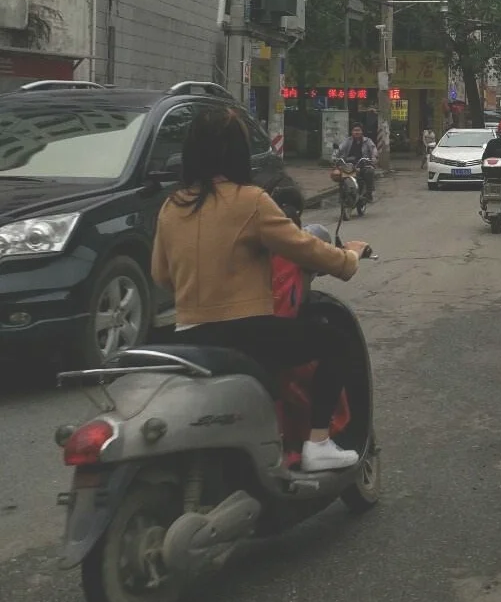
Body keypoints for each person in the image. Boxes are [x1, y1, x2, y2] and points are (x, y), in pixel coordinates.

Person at [152, 105, 371, 473]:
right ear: (238, 152)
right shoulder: (250, 201)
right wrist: (348, 258)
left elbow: (161, 275)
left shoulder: (172, 206)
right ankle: (318, 442)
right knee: (335, 341)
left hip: (188, 335)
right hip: (245, 335)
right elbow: (305, 248)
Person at [337, 123, 377, 200]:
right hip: (349, 165)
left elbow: (374, 151)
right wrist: (335, 158)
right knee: (339, 175)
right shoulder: (347, 141)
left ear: (362, 132)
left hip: (363, 164)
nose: (356, 132)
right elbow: (339, 149)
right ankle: (342, 194)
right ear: (352, 132)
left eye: (358, 130)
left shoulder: (367, 141)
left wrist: (373, 160)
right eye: (354, 130)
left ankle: (369, 193)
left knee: (369, 172)